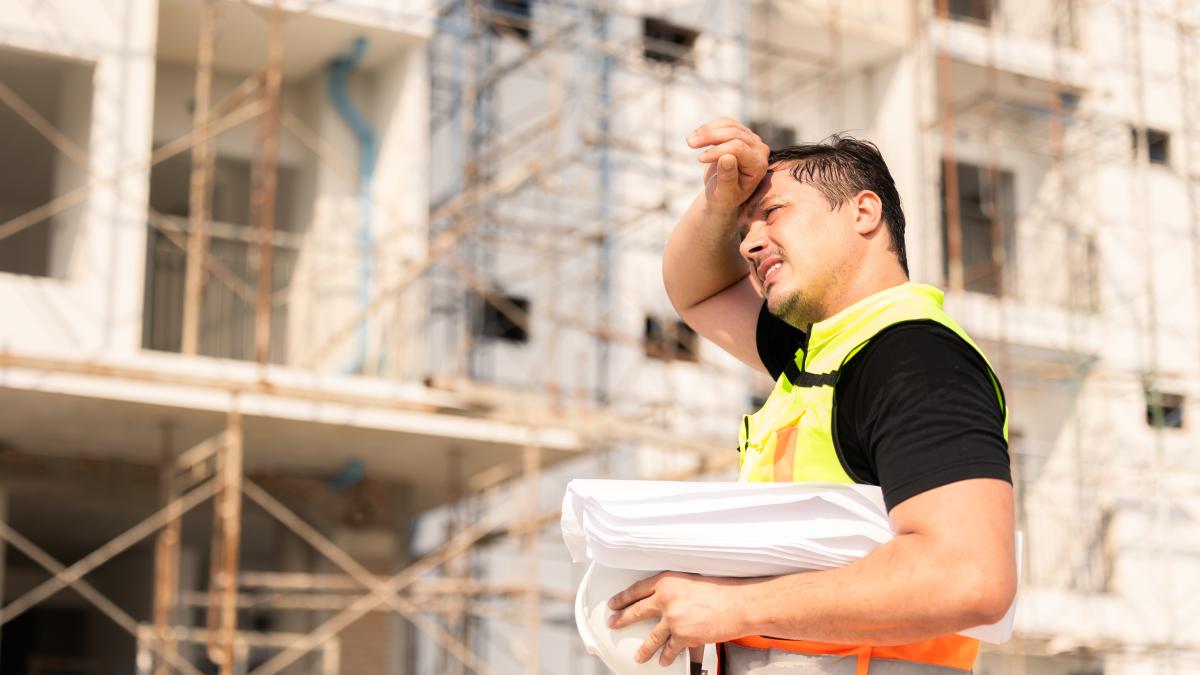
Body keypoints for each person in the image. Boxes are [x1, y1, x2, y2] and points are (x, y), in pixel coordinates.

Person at [606, 117, 1017, 675]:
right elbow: (694, 288)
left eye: (773, 213)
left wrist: (732, 607)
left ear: (863, 213)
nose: (749, 243)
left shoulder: (912, 359)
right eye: (744, 227)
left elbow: (969, 576)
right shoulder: (825, 352)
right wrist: (720, 202)